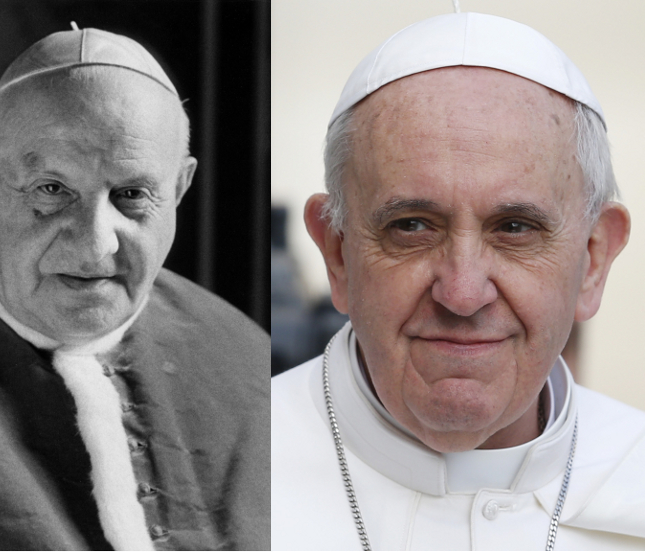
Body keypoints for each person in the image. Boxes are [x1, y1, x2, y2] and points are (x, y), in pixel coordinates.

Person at [0, 27, 270, 551]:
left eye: (132, 194)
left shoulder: (246, 358)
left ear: (178, 189)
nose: (95, 246)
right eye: (52, 190)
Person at [271, 12, 643, 551]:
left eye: (515, 228)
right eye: (412, 227)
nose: (463, 294)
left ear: (593, 259)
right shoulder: (213, 481)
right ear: (338, 254)